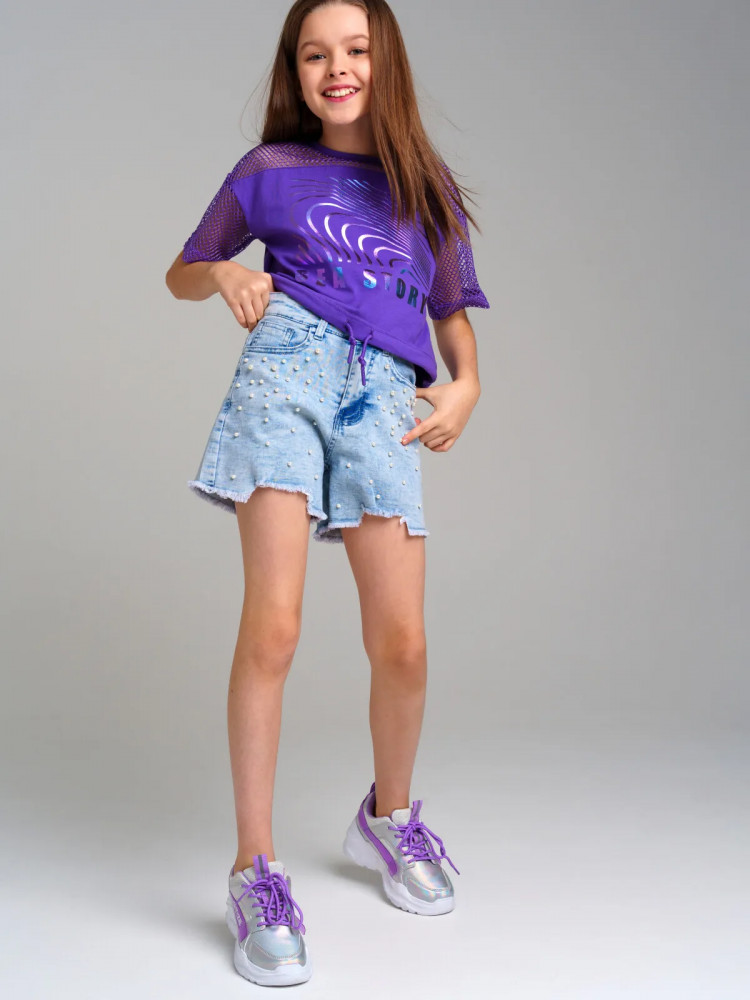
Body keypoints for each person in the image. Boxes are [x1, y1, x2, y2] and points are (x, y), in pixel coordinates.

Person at [165, 0, 489, 987]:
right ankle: (253, 870)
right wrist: (225, 274)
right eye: (315, 54)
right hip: (284, 375)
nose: (335, 68)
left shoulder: (424, 185)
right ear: (296, 72)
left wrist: (466, 385)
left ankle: (389, 819)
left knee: (404, 642)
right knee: (275, 626)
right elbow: (183, 270)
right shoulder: (269, 170)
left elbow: (452, 315)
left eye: (354, 50)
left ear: (385, 65)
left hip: (384, 395)